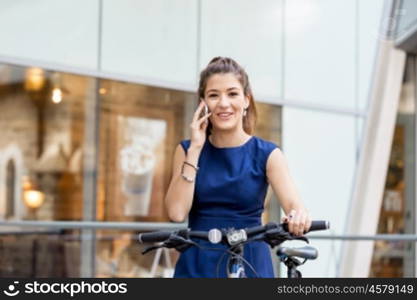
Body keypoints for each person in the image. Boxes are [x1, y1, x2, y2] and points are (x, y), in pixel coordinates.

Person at [164, 57, 311, 278]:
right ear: (203, 104)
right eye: (214, 95)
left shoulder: (268, 154)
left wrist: (298, 216)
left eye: (232, 94)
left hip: (250, 260)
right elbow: (176, 212)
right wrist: (195, 148)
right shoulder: (187, 150)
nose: (224, 103)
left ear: (246, 100)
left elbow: (294, 206)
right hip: (198, 263)